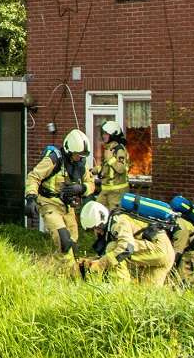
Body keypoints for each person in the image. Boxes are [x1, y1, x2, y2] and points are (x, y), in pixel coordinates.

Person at [26, 130, 92, 270]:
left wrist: (80, 188)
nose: (79, 159)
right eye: (77, 155)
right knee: (63, 239)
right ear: (69, 150)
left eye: (82, 156)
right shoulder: (54, 159)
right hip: (49, 203)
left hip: (67, 206)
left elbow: (91, 184)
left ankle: (57, 270)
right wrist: (31, 198)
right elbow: (34, 176)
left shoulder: (81, 163)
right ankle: (69, 273)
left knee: (73, 243)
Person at [91, 199, 176, 287]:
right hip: (164, 253)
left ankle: (121, 288)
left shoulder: (118, 222)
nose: (96, 231)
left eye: (96, 228)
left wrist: (100, 264)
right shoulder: (114, 222)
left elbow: (126, 248)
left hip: (159, 250)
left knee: (113, 248)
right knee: (148, 294)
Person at [88, 120, 131, 245]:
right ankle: (102, 243)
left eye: (106, 134)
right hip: (106, 191)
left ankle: (117, 245)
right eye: (103, 133)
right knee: (97, 215)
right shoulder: (109, 149)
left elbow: (121, 169)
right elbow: (108, 170)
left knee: (116, 220)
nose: (103, 136)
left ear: (113, 134)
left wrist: (110, 159)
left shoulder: (119, 150)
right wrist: (95, 170)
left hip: (116, 193)